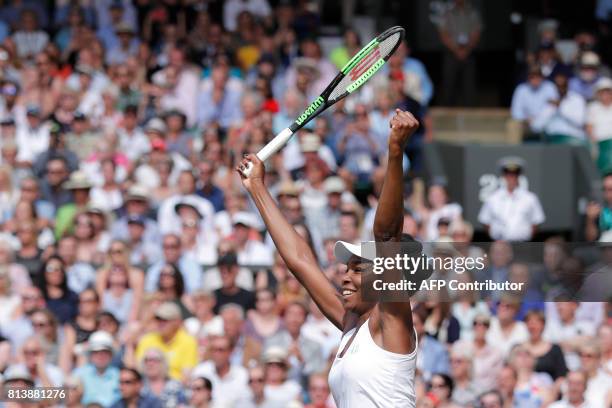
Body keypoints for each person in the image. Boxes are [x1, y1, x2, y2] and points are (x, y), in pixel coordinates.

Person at [237, 109, 421, 407]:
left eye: (358, 269)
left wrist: (395, 150)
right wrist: (257, 188)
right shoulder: (351, 323)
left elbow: (387, 237)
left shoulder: (392, 319)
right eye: (347, 268)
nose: (345, 276)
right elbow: (299, 260)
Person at [478, 157, 545, 241]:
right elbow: (485, 221)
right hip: (500, 244)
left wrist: (526, 237)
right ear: (504, 176)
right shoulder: (493, 198)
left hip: (522, 244)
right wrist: (495, 237)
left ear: (519, 176)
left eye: (514, 174)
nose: (511, 177)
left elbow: (536, 222)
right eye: (508, 174)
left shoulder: (530, 198)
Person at [134, 301, 198, 381]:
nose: (161, 323)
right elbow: (138, 369)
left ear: (177, 322)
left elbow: (187, 375)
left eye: (165, 320)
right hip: (148, 386)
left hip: (176, 387)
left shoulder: (188, 341)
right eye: (158, 319)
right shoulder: (147, 339)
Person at [437, 0, 482, 106]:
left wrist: (466, 50)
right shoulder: (447, 13)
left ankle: (470, 112)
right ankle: (448, 111)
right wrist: (456, 50)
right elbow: (443, 33)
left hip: (469, 52)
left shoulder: (473, 13)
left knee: (469, 86)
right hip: (451, 53)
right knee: (449, 85)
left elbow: (476, 32)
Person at [72, 330, 121, 406]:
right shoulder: (79, 374)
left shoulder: (120, 375)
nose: (100, 356)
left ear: (111, 355)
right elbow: (67, 398)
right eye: (96, 352)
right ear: (90, 355)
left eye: (104, 352)